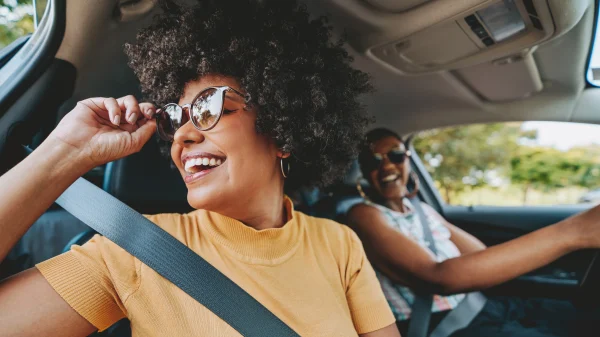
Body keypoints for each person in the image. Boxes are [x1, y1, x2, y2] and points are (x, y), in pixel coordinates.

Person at [0, 1, 401, 336]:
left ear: (284, 132)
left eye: (209, 108)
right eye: (176, 117)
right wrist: (64, 152)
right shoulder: (133, 250)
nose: (182, 136)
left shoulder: (339, 245)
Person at [348, 127, 600, 337]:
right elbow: (438, 277)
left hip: (482, 306)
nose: (388, 166)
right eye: (374, 161)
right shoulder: (363, 215)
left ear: (408, 158)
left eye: (395, 155)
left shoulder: (420, 209)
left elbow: (478, 253)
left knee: (583, 318)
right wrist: (574, 232)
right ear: (363, 172)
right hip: (445, 326)